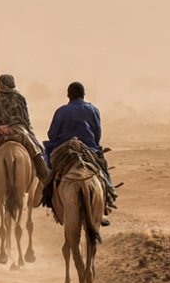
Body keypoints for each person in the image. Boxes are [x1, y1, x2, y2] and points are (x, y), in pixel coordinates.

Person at [42, 82, 116, 219]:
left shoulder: (61, 111)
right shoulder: (93, 109)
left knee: (50, 169)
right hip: (88, 147)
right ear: (83, 95)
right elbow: (97, 133)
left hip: (65, 148)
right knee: (102, 167)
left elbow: (52, 134)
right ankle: (109, 195)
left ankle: (48, 197)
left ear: (68, 96)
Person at [0, 74, 47, 190]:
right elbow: (26, 120)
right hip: (19, 130)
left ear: (0, 84)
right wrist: (23, 130)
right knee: (36, 150)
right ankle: (44, 176)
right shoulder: (20, 98)